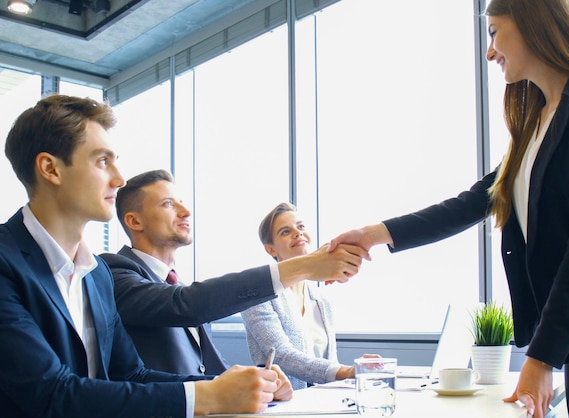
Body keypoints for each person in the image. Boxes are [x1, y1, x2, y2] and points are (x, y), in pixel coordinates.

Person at [328, 1, 569, 417]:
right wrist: (373, 234)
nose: (489, 52)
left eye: (493, 32)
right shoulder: (538, 121)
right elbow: (471, 203)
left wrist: (541, 358)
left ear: (533, 24)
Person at [0, 95, 356, 418]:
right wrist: (208, 398)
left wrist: (239, 383)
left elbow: (131, 374)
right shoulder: (9, 260)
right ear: (50, 169)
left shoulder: (95, 275)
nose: (119, 179)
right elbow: (48, 395)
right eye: (102, 161)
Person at [100, 171, 366, 378]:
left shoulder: (174, 284)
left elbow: (209, 369)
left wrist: (253, 381)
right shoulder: (115, 271)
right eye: (169, 204)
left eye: (183, 203)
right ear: (135, 221)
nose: (186, 212)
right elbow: (184, 304)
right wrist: (305, 265)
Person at [241, 202, 377, 390]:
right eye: (285, 231)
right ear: (271, 249)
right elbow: (282, 355)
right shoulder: (258, 296)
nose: (298, 233)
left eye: (301, 226)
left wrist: (356, 372)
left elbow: (330, 362)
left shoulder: (321, 300)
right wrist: (347, 371)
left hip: (323, 402)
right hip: (282, 405)